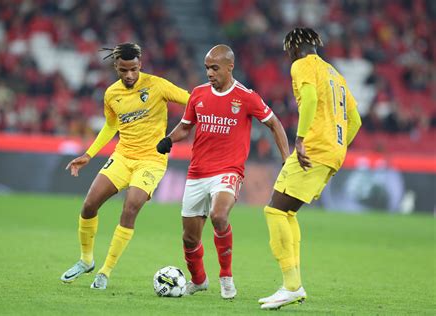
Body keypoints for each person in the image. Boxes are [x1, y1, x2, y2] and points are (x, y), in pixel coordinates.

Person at [156, 44, 290, 299]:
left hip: (229, 171)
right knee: (189, 239)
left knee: (219, 216)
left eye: (214, 68)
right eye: (207, 68)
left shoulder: (246, 96)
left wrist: (286, 158)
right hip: (197, 172)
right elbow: (186, 127)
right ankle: (199, 280)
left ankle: (226, 277)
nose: (209, 73)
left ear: (230, 67)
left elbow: (274, 123)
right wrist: (169, 140)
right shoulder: (198, 94)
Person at [60, 43, 190, 290]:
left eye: (133, 69)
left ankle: (105, 272)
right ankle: (86, 260)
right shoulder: (111, 94)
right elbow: (111, 126)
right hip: (122, 157)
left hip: (151, 160)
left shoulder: (157, 85)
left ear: (140, 64)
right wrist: (89, 154)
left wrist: (183, 130)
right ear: (116, 68)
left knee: (130, 208)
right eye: (123, 70)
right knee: (89, 205)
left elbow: (192, 101)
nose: (129, 75)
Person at [258, 28, 362, 310]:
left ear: (294, 48)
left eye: (287, 50)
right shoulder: (334, 74)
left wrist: (301, 139)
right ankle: (291, 285)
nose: (287, 55)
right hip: (331, 152)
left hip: (313, 148)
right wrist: (337, 149)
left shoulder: (301, 65)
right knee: (287, 212)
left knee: (275, 211)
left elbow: (311, 99)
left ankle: (292, 286)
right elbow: (355, 121)